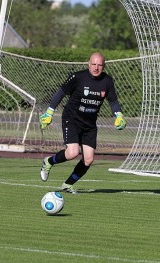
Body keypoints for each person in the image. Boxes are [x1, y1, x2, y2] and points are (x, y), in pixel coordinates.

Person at [39, 52, 126, 194]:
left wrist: (119, 116)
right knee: (72, 153)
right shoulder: (78, 77)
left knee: (88, 159)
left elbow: (113, 101)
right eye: (93, 64)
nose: (96, 68)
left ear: (104, 66)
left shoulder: (107, 81)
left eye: (99, 65)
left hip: (90, 124)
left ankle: (67, 185)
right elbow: (60, 93)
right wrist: (49, 112)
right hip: (71, 119)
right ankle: (49, 162)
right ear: (88, 64)